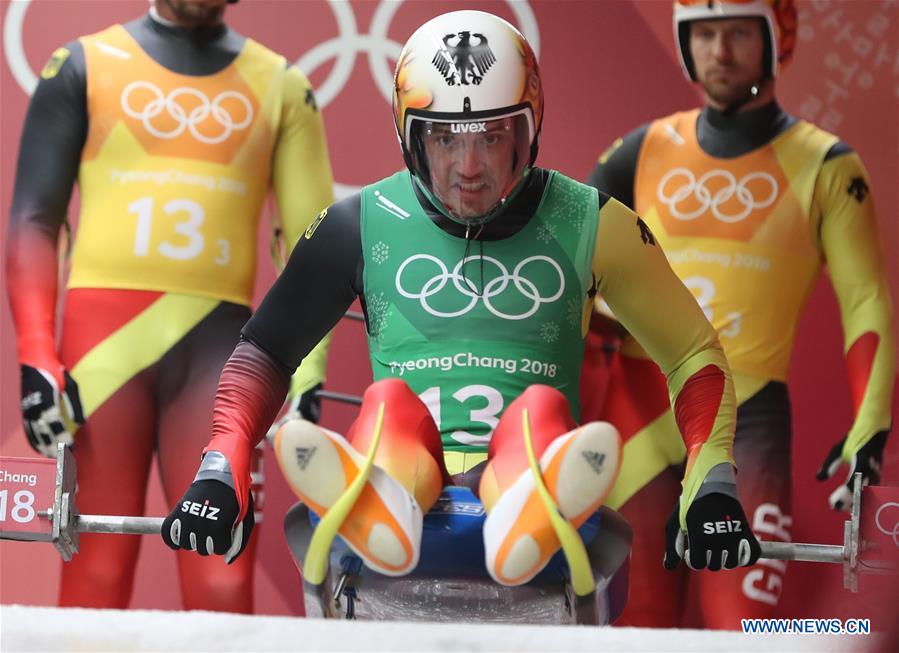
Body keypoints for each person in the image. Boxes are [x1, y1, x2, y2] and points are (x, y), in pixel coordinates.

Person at [161, 9, 761, 596]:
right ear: (409, 136)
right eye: (444, 138)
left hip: (529, 450)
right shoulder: (358, 224)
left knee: (539, 409)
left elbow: (692, 353)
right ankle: (394, 497)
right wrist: (222, 465)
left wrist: (710, 480)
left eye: (493, 136)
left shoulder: (595, 222)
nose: (468, 168)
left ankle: (515, 503)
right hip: (409, 452)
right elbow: (265, 349)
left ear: (530, 129)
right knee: (389, 402)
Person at [6, 0, 335, 612]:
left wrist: (308, 370)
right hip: (102, 359)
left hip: (222, 358)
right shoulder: (81, 65)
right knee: (94, 576)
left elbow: (313, 243)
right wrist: (36, 356)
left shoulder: (284, 85)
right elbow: (32, 221)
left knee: (220, 578)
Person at [583, 0, 895, 629]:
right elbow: (565, 276)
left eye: (735, 33)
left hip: (747, 422)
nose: (718, 51)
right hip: (637, 414)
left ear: (776, 37)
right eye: (702, 35)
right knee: (629, 630)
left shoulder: (829, 166)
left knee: (748, 633)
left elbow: (866, 301)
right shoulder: (638, 151)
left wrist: (872, 422)